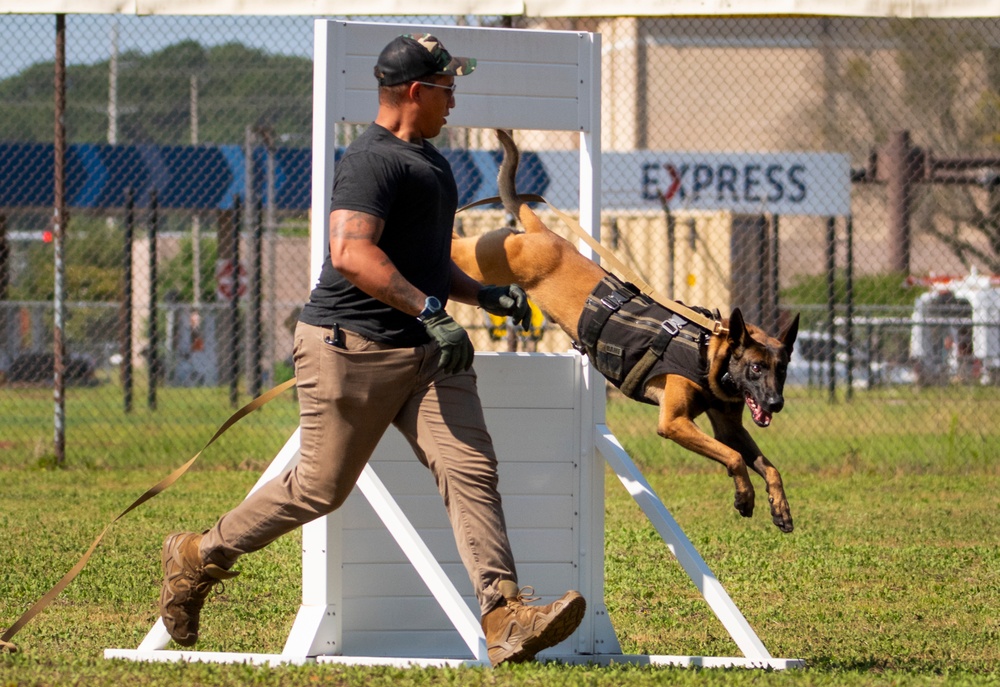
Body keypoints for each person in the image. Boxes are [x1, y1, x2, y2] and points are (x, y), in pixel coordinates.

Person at [158, 32, 586, 666]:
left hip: (426, 352)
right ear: (416, 92)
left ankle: (503, 618)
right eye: (447, 88)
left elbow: (424, 258)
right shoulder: (370, 160)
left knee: (470, 470)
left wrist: (479, 296)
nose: (454, 99)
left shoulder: (433, 162)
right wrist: (430, 309)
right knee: (318, 489)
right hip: (350, 348)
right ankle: (197, 555)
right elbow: (352, 253)